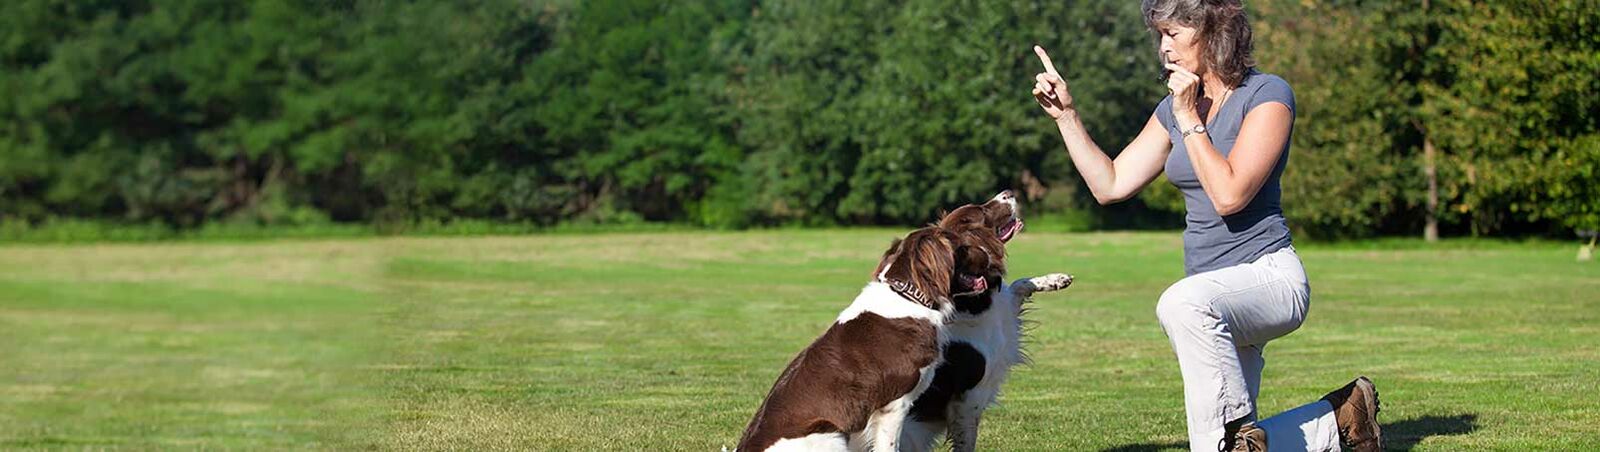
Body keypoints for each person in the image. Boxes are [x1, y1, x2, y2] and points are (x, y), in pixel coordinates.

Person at [1028, 0, 1381, 451]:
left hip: (1268, 277)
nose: (1163, 48)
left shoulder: (1268, 96)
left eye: (1173, 34)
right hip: (1211, 301)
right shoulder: (1170, 110)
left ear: (1213, 32)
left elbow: (1230, 195)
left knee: (1181, 304)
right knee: (1216, 442)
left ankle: (1238, 437)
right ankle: (1342, 417)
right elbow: (1111, 184)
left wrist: (1189, 117)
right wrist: (1067, 116)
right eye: (1159, 36)